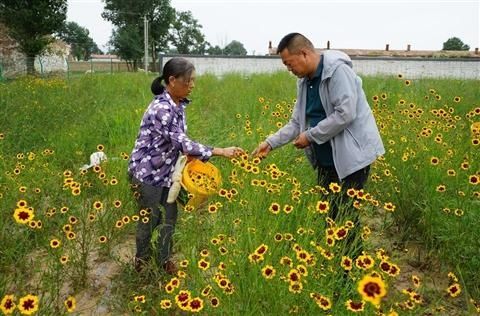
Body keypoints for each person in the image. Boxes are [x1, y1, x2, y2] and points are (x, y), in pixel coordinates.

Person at [128, 57, 244, 274]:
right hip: (148, 174)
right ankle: (141, 262)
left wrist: (189, 156)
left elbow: (178, 140)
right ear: (172, 80)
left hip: (168, 173)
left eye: (193, 81)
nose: (192, 85)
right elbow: (181, 141)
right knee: (149, 219)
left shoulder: (178, 105)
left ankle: (163, 260)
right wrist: (220, 151)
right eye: (188, 81)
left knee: (170, 217)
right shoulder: (161, 108)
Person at [253, 33, 385, 220]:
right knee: (330, 215)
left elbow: (345, 113)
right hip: (326, 158)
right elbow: (297, 122)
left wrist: (310, 136)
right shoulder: (305, 82)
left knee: (346, 218)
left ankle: (351, 251)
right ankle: (335, 251)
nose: (289, 69)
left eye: (289, 63)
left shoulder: (338, 71)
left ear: (304, 53)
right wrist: (270, 143)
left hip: (351, 158)